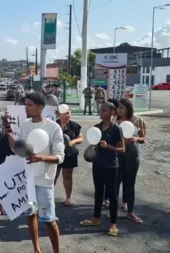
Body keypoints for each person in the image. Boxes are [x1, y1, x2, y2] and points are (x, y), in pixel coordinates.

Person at [6, 92, 64, 253]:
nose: (26, 107)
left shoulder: (53, 128)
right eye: (26, 104)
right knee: (31, 215)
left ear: (40, 107)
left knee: (49, 220)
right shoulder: (24, 125)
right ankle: (36, 249)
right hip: (27, 180)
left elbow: (60, 157)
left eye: (30, 104)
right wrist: (9, 134)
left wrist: (41, 158)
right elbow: (16, 149)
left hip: (45, 181)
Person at [81, 102, 125, 237]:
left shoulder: (116, 129)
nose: (101, 113)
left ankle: (113, 224)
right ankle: (95, 218)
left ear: (112, 112)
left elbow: (122, 149)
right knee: (98, 192)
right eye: (100, 110)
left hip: (112, 166)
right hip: (98, 165)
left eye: (104, 111)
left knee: (112, 195)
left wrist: (109, 147)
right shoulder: (96, 128)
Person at [115, 99, 147, 224]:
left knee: (129, 183)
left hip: (131, 155)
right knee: (116, 181)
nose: (119, 110)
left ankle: (130, 211)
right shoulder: (115, 120)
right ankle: (113, 210)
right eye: (118, 108)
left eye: (122, 107)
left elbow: (144, 138)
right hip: (117, 154)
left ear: (129, 108)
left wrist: (136, 138)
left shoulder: (138, 121)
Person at [55, 107, 83, 207]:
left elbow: (80, 138)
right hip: (55, 154)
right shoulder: (54, 124)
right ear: (59, 114)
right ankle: (47, 197)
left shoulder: (74, 125)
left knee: (67, 176)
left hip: (69, 154)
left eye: (68, 113)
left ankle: (68, 198)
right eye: (63, 113)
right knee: (52, 176)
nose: (66, 115)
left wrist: (74, 141)